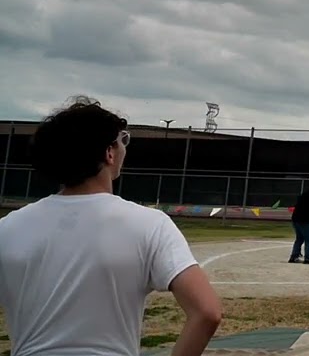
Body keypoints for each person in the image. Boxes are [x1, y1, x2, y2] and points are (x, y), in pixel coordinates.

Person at [0, 97, 222, 356]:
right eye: (122, 140)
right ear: (109, 153)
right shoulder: (150, 224)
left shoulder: (9, 227)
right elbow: (207, 312)